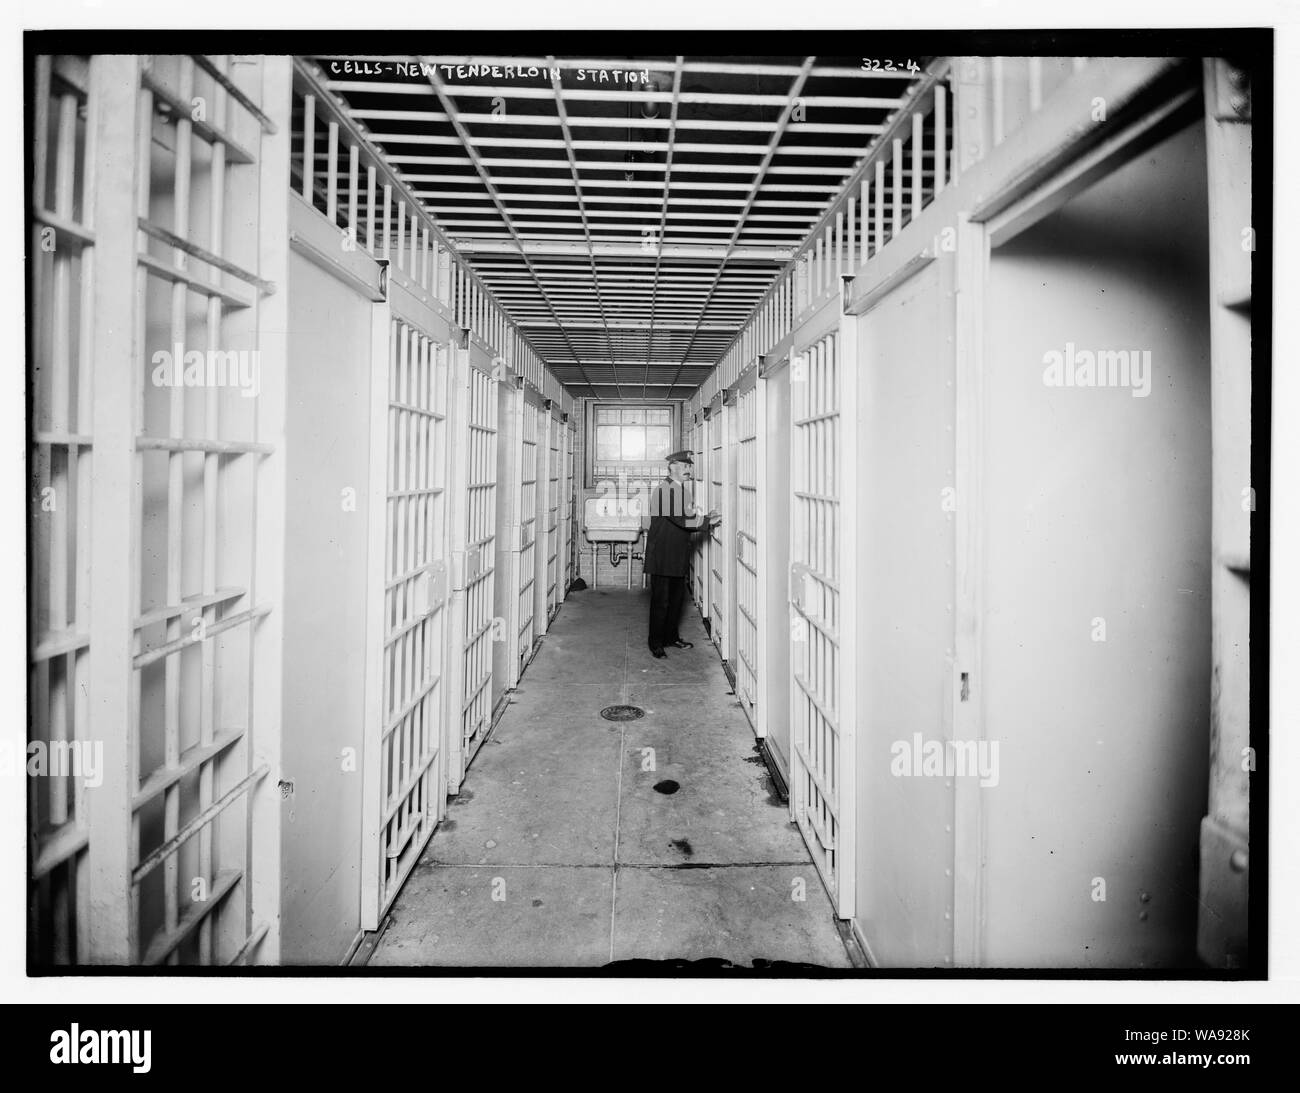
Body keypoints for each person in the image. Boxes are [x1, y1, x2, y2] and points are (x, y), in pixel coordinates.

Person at [642, 450, 721, 658]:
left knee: (676, 599)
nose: (689, 470)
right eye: (685, 466)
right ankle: (656, 643)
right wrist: (706, 522)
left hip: (677, 553)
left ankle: (671, 637)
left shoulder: (681, 491)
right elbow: (681, 520)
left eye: (689, 466)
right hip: (662, 555)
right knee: (661, 602)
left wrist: (705, 516)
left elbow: (687, 516)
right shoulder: (663, 490)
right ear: (673, 466)